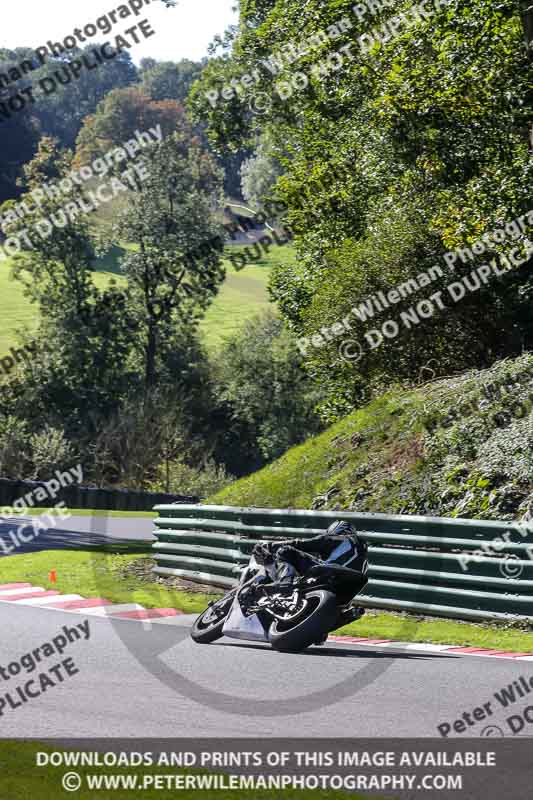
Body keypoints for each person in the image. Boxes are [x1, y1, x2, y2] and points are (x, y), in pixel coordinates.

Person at [253, 519, 368, 586]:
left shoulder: (342, 539)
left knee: (285, 551)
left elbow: (302, 544)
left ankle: (285, 584)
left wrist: (271, 546)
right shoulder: (364, 561)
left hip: (328, 575)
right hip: (344, 590)